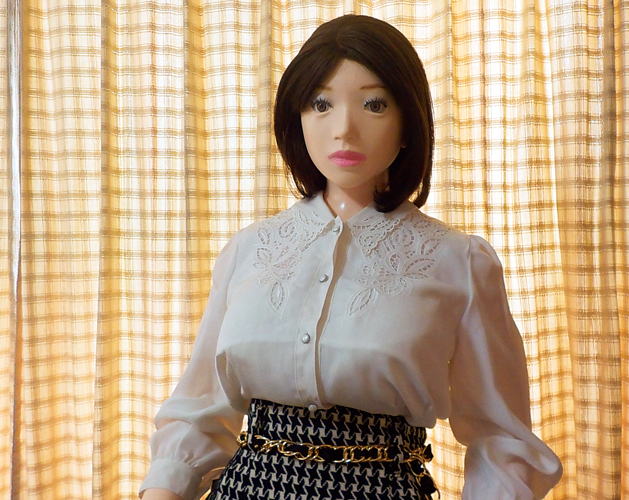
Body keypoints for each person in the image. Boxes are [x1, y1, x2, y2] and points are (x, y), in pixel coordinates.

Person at [139, 14, 563, 500]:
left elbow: (501, 437)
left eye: (373, 104)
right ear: (297, 118)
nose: (344, 129)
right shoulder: (249, 251)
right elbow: (199, 410)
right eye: (321, 104)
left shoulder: (459, 263)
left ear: (408, 122)